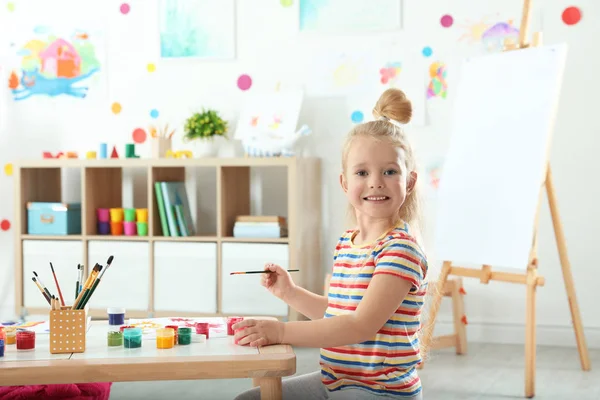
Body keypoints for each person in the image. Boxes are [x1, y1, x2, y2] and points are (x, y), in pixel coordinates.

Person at [233, 88, 428, 400]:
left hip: (380, 392)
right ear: (344, 183)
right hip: (336, 382)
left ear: (409, 181)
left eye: (390, 171)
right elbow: (339, 314)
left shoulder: (400, 250)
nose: (376, 181)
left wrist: (282, 332)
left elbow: (359, 325)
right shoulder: (347, 244)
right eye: (362, 172)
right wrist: (290, 293)